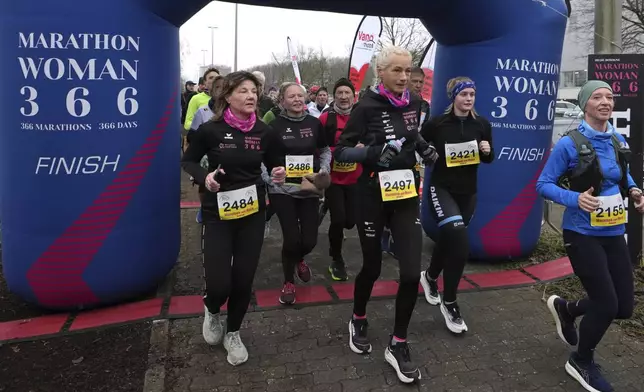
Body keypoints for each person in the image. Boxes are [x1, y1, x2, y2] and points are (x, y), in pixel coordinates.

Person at [334, 45, 438, 384]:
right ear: (382, 72)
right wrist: (376, 152)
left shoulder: (414, 103)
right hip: (371, 194)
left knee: (410, 273)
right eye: (397, 71)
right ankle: (359, 316)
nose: (405, 77)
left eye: (408, 71)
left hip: (405, 191)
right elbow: (341, 152)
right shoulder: (365, 106)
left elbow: (412, 133)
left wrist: (423, 148)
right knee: (373, 266)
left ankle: (398, 343)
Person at [536, 80, 643, 392]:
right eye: (597, 97)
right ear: (585, 104)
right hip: (581, 233)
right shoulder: (570, 143)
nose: (605, 101)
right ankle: (581, 360)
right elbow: (543, 184)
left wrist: (635, 190)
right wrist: (574, 199)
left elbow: (623, 175)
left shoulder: (615, 138)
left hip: (613, 231)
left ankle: (567, 309)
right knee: (606, 304)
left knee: (623, 307)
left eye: (609, 96)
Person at [181, 71, 286, 366]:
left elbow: (277, 163)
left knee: (242, 279)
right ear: (227, 97)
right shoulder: (211, 131)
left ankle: (233, 332)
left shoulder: (265, 133)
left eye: (254, 90)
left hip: (253, 213)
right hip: (218, 213)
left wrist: (279, 171)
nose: (251, 96)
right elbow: (188, 160)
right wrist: (206, 177)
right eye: (243, 91)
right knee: (218, 283)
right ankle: (212, 309)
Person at [418, 76, 494, 334]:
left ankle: (428, 277)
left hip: (467, 193)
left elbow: (489, 158)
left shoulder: (482, 124)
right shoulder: (438, 123)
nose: (469, 99)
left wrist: (486, 150)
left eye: (472, 94)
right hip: (441, 188)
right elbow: (418, 142)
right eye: (464, 95)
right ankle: (450, 303)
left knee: (451, 238)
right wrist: (427, 151)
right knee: (459, 241)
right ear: (454, 97)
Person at [263, 82, 331, 305]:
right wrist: (270, 177)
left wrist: (324, 169)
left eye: (300, 96)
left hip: (308, 187)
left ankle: (300, 258)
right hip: (282, 190)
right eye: (291, 96)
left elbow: (324, 150)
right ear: (282, 100)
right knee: (291, 238)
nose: (297, 100)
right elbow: (262, 158)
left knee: (309, 240)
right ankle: (288, 281)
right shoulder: (273, 126)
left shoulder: (314, 123)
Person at [319, 78, 359, 281]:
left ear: (354, 96)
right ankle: (336, 258)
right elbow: (319, 147)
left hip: (355, 179)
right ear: (335, 96)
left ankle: (327, 206)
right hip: (334, 180)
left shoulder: (361, 118)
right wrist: (341, 152)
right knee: (339, 220)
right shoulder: (326, 119)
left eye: (347, 93)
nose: (343, 97)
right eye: (340, 93)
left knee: (351, 222)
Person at [189, 75, 225, 224]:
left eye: (225, 87)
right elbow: (192, 135)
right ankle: (205, 209)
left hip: (227, 158)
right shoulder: (203, 110)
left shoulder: (238, 112)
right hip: (206, 158)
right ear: (210, 90)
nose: (221, 91)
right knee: (205, 187)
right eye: (218, 87)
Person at [184, 67, 220, 132]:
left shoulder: (227, 99)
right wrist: (204, 127)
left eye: (217, 78)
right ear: (205, 83)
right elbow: (187, 124)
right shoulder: (196, 98)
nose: (214, 80)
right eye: (211, 78)